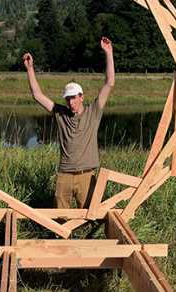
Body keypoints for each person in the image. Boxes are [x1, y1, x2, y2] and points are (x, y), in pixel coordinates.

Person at [22, 37, 115, 208]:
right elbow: (37, 95)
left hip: (87, 175)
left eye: (74, 98)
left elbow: (109, 83)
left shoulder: (93, 112)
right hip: (64, 174)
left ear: (81, 97)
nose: (71, 102)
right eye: (68, 99)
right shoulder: (60, 113)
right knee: (61, 216)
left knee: (89, 215)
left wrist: (108, 53)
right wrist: (30, 69)